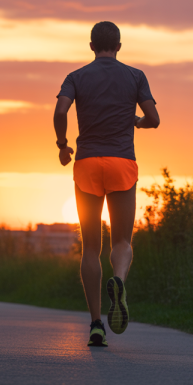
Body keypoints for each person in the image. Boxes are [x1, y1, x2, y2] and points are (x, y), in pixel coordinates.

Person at [53, 21, 160, 347]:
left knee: (90, 248)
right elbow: (154, 120)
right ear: (119, 46)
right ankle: (119, 280)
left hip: (87, 164)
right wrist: (138, 122)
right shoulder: (135, 76)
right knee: (122, 241)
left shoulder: (76, 77)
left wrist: (62, 145)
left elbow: (60, 111)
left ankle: (96, 324)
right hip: (121, 164)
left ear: (91, 46)